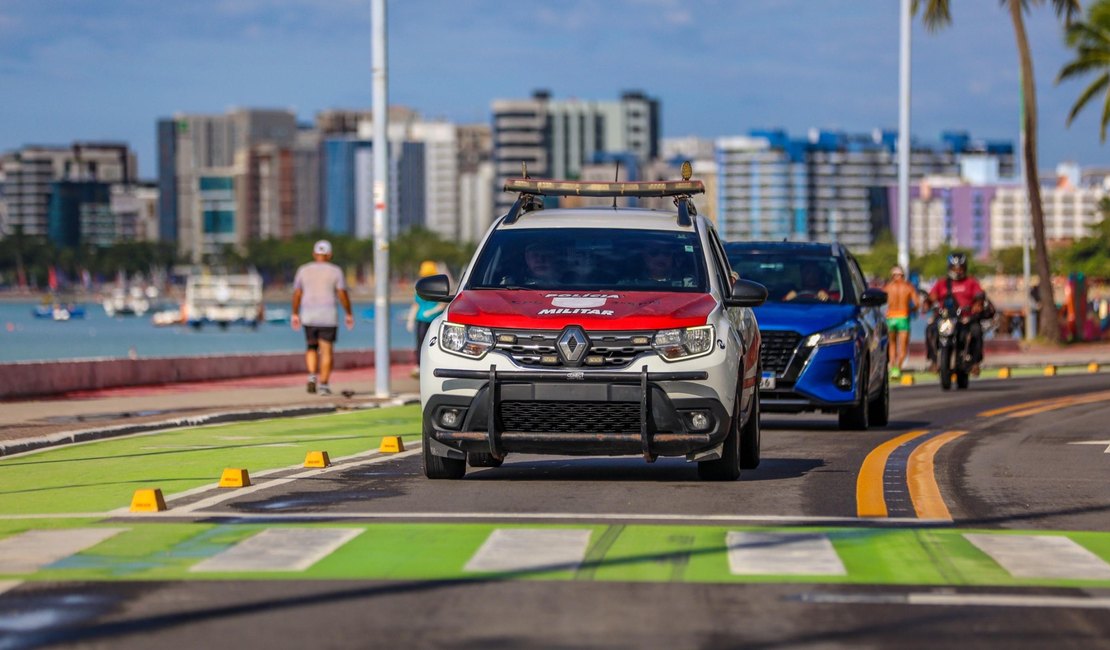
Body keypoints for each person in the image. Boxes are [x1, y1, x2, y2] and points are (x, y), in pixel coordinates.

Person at [291, 239, 354, 395]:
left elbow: (297, 293)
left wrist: (294, 313)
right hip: (328, 317)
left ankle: (312, 376)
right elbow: (342, 294)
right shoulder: (335, 271)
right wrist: (348, 313)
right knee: (326, 351)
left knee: (311, 347)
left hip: (308, 316)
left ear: (314, 254)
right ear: (329, 255)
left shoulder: (303, 270)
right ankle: (324, 385)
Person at [922, 252, 989, 376]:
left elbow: (979, 296)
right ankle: (933, 361)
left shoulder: (971, 282)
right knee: (930, 330)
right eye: (954, 268)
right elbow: (932, 297)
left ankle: (975, 362)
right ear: (949, 268)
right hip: (946, 318)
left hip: (965, 319)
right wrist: (927, 303)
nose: (957, 271)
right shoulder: (942, 283)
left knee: (976, 331)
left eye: (960, 268)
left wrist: (977, 305)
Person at [406, 260, 446, 378]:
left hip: (434, 320)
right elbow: (416, 304)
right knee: (420, 343)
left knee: (433, 344)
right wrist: (410, 319)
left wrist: (431, 312)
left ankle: (433, 366)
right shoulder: (420, 288)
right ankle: (419, 365)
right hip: (421, 319)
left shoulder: (438, 287)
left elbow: (442, 304)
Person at [883, 265, 916, 379]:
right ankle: (897, 368)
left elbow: (881, 303)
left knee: (892, 344)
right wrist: (911, 310)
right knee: (903, 346)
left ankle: (892, 367)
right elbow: (917, 303)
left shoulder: (887, 287)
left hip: (890, 317)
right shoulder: (908, 287)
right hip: (903, 316)